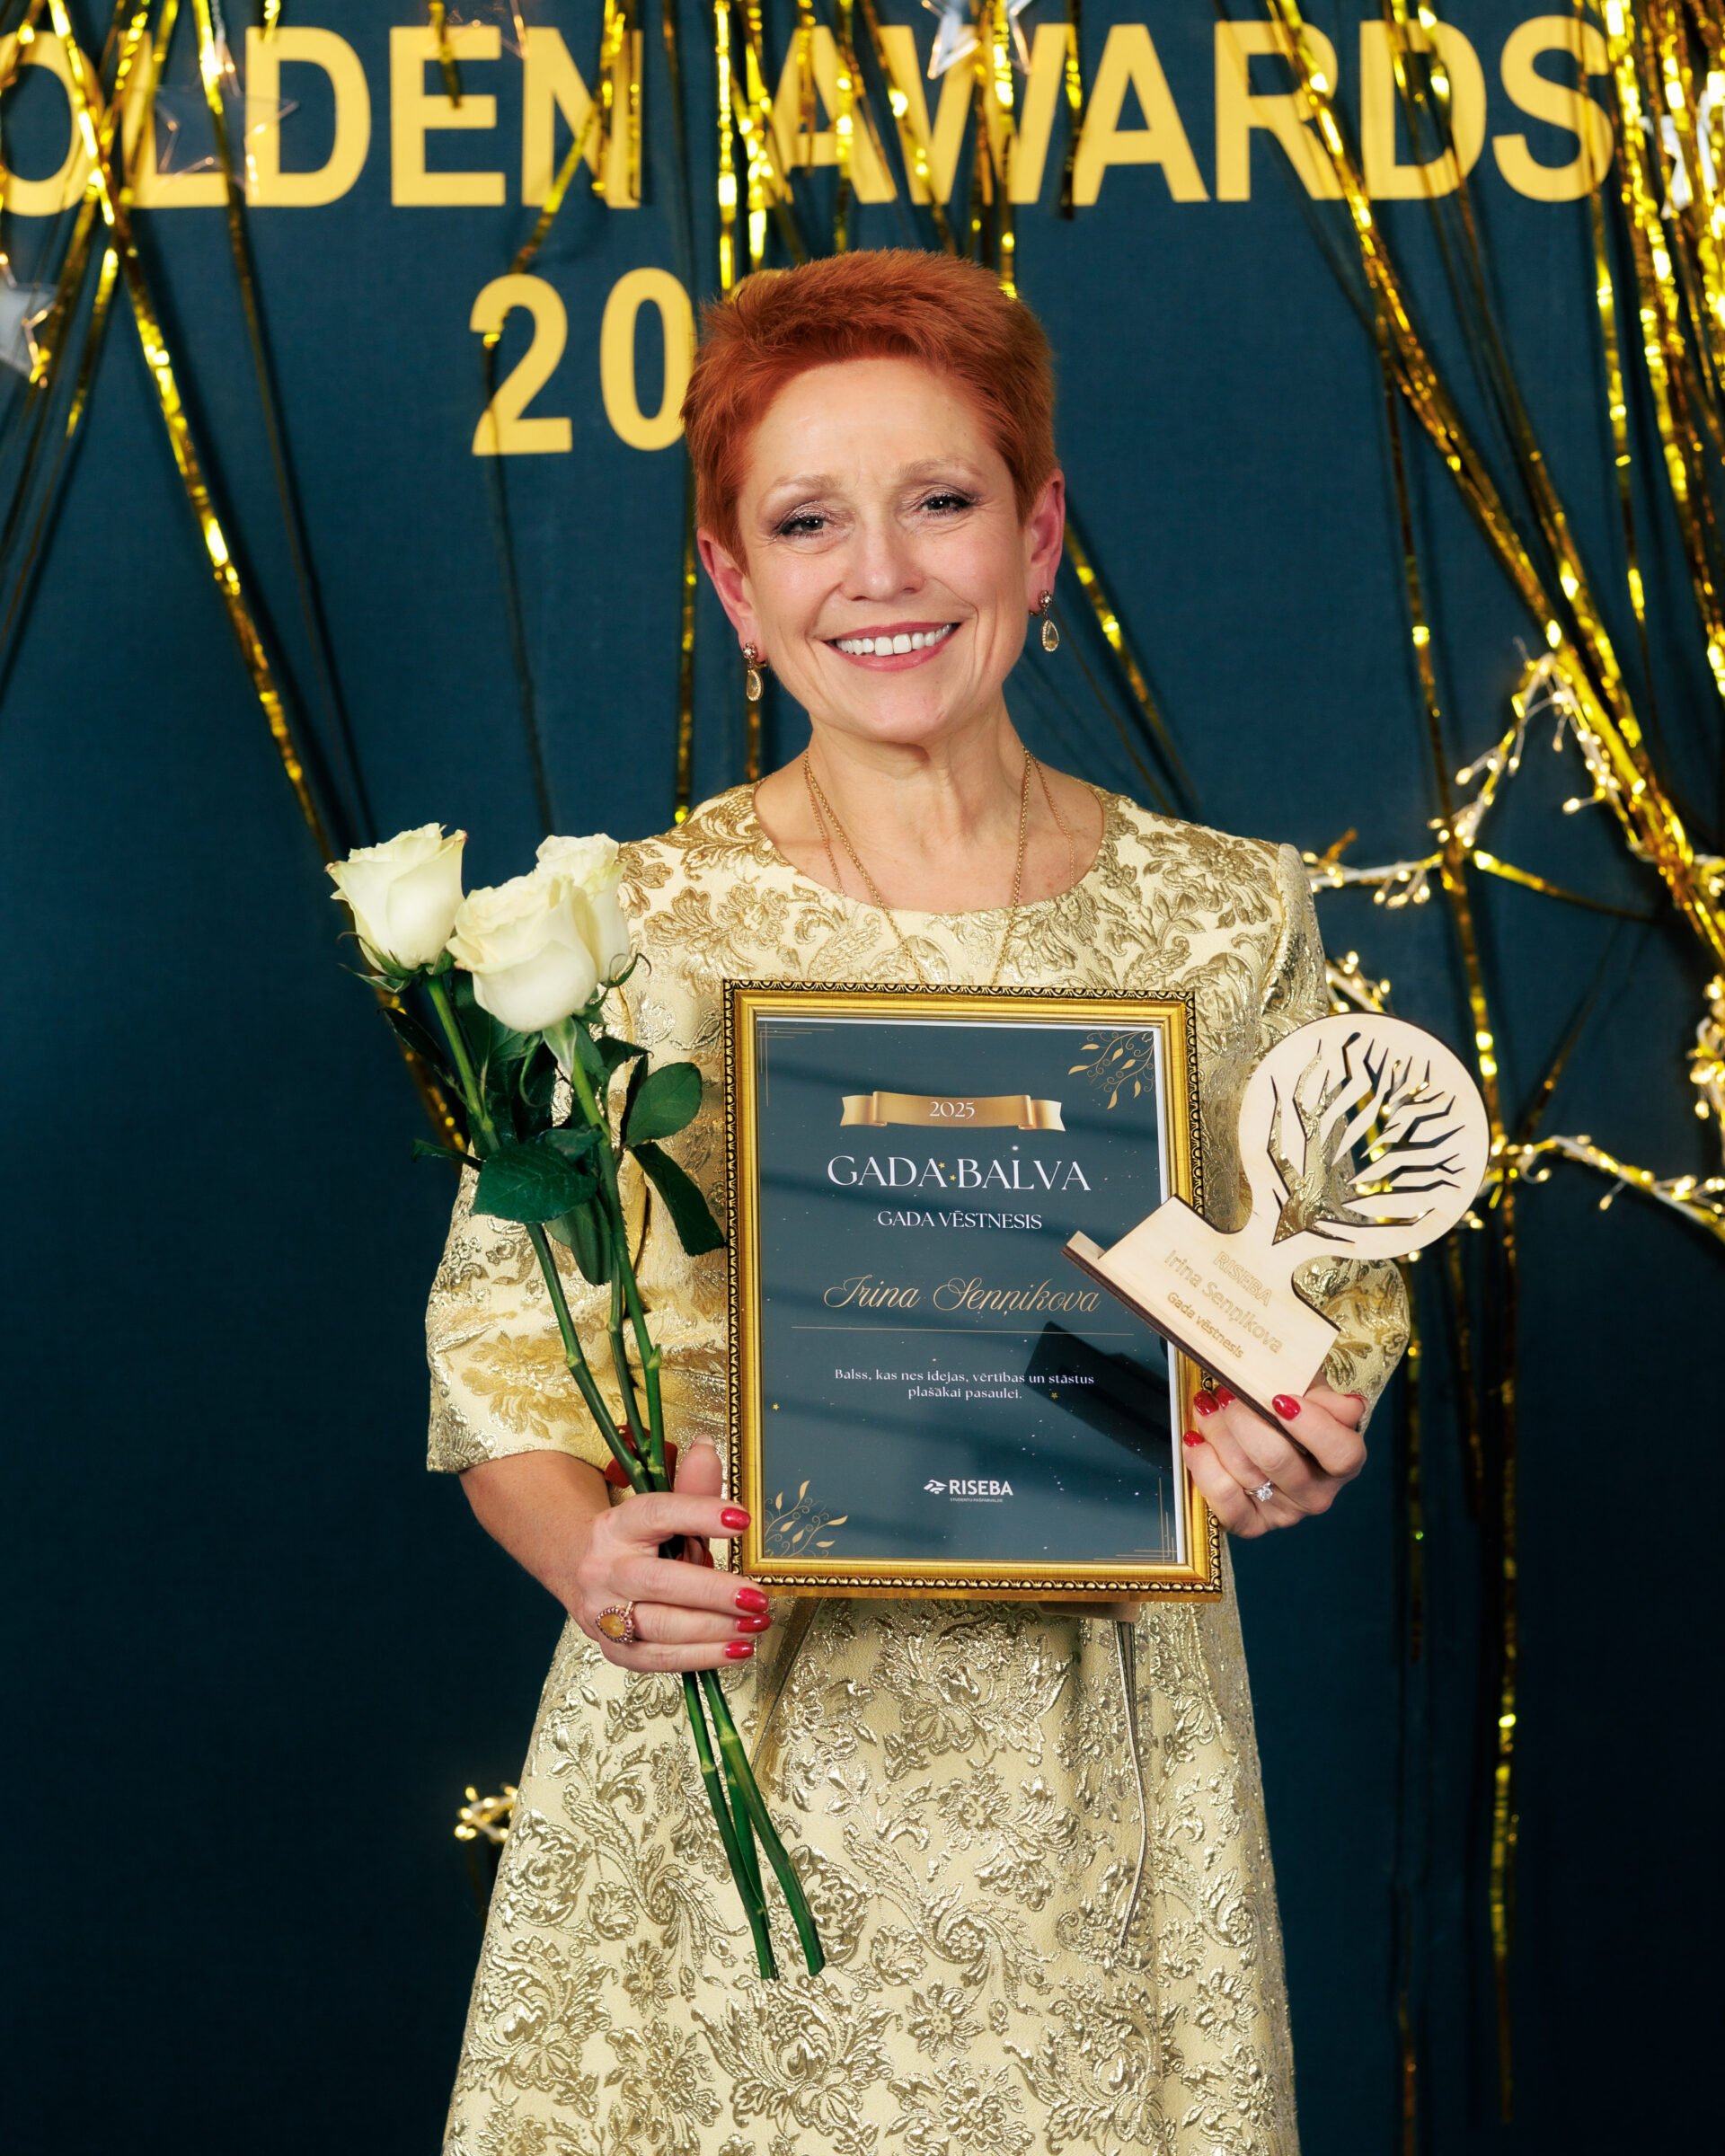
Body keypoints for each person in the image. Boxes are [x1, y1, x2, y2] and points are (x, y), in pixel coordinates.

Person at [427, 249, 1409, 2154]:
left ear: (1037, 539)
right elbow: (497, 1364)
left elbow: (1325, 1309)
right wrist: (592, 1563)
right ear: (737, 588)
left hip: (1104, 1773)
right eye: (808, 522)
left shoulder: (1229, 918)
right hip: (731, 1756)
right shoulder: (629, 927)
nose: (879, 572)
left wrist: (1289, 1433)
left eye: (940, 501)